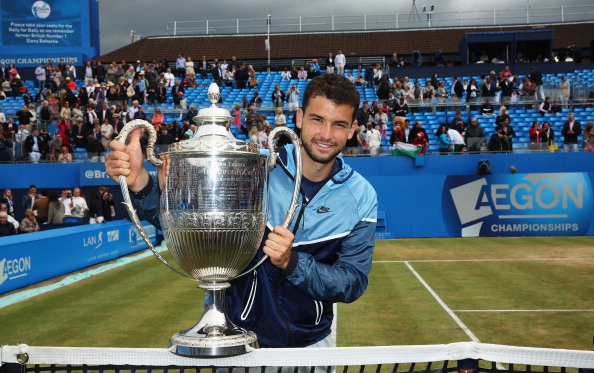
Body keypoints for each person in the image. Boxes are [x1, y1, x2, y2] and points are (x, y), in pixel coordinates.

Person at [105, 73, 377, 349]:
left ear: (353, 129)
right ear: (299, 118)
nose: (326, 135)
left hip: (312, 346)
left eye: (339, 124)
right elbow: (193, 225)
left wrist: (292, 263)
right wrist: (139, 183)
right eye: (317, 120)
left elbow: (352, 281)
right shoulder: (251, 166)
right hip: (233, 340)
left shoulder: (361, 196)